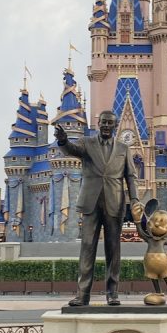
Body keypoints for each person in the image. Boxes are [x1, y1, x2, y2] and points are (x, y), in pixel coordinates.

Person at [53, 111, 139, 306]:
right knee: (87, 247)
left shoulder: (123, 149)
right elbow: (71, 150)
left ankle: (112, 292)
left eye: (110, 123)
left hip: (115, 203)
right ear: (98, 123)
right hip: (91, 203)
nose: (107, 125)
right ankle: (82, 294)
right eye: (104, 122)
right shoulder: (87, 143)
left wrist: (135, 199)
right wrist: (63, 141)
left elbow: (131, 176)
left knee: (113, 249)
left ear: (115, 126)